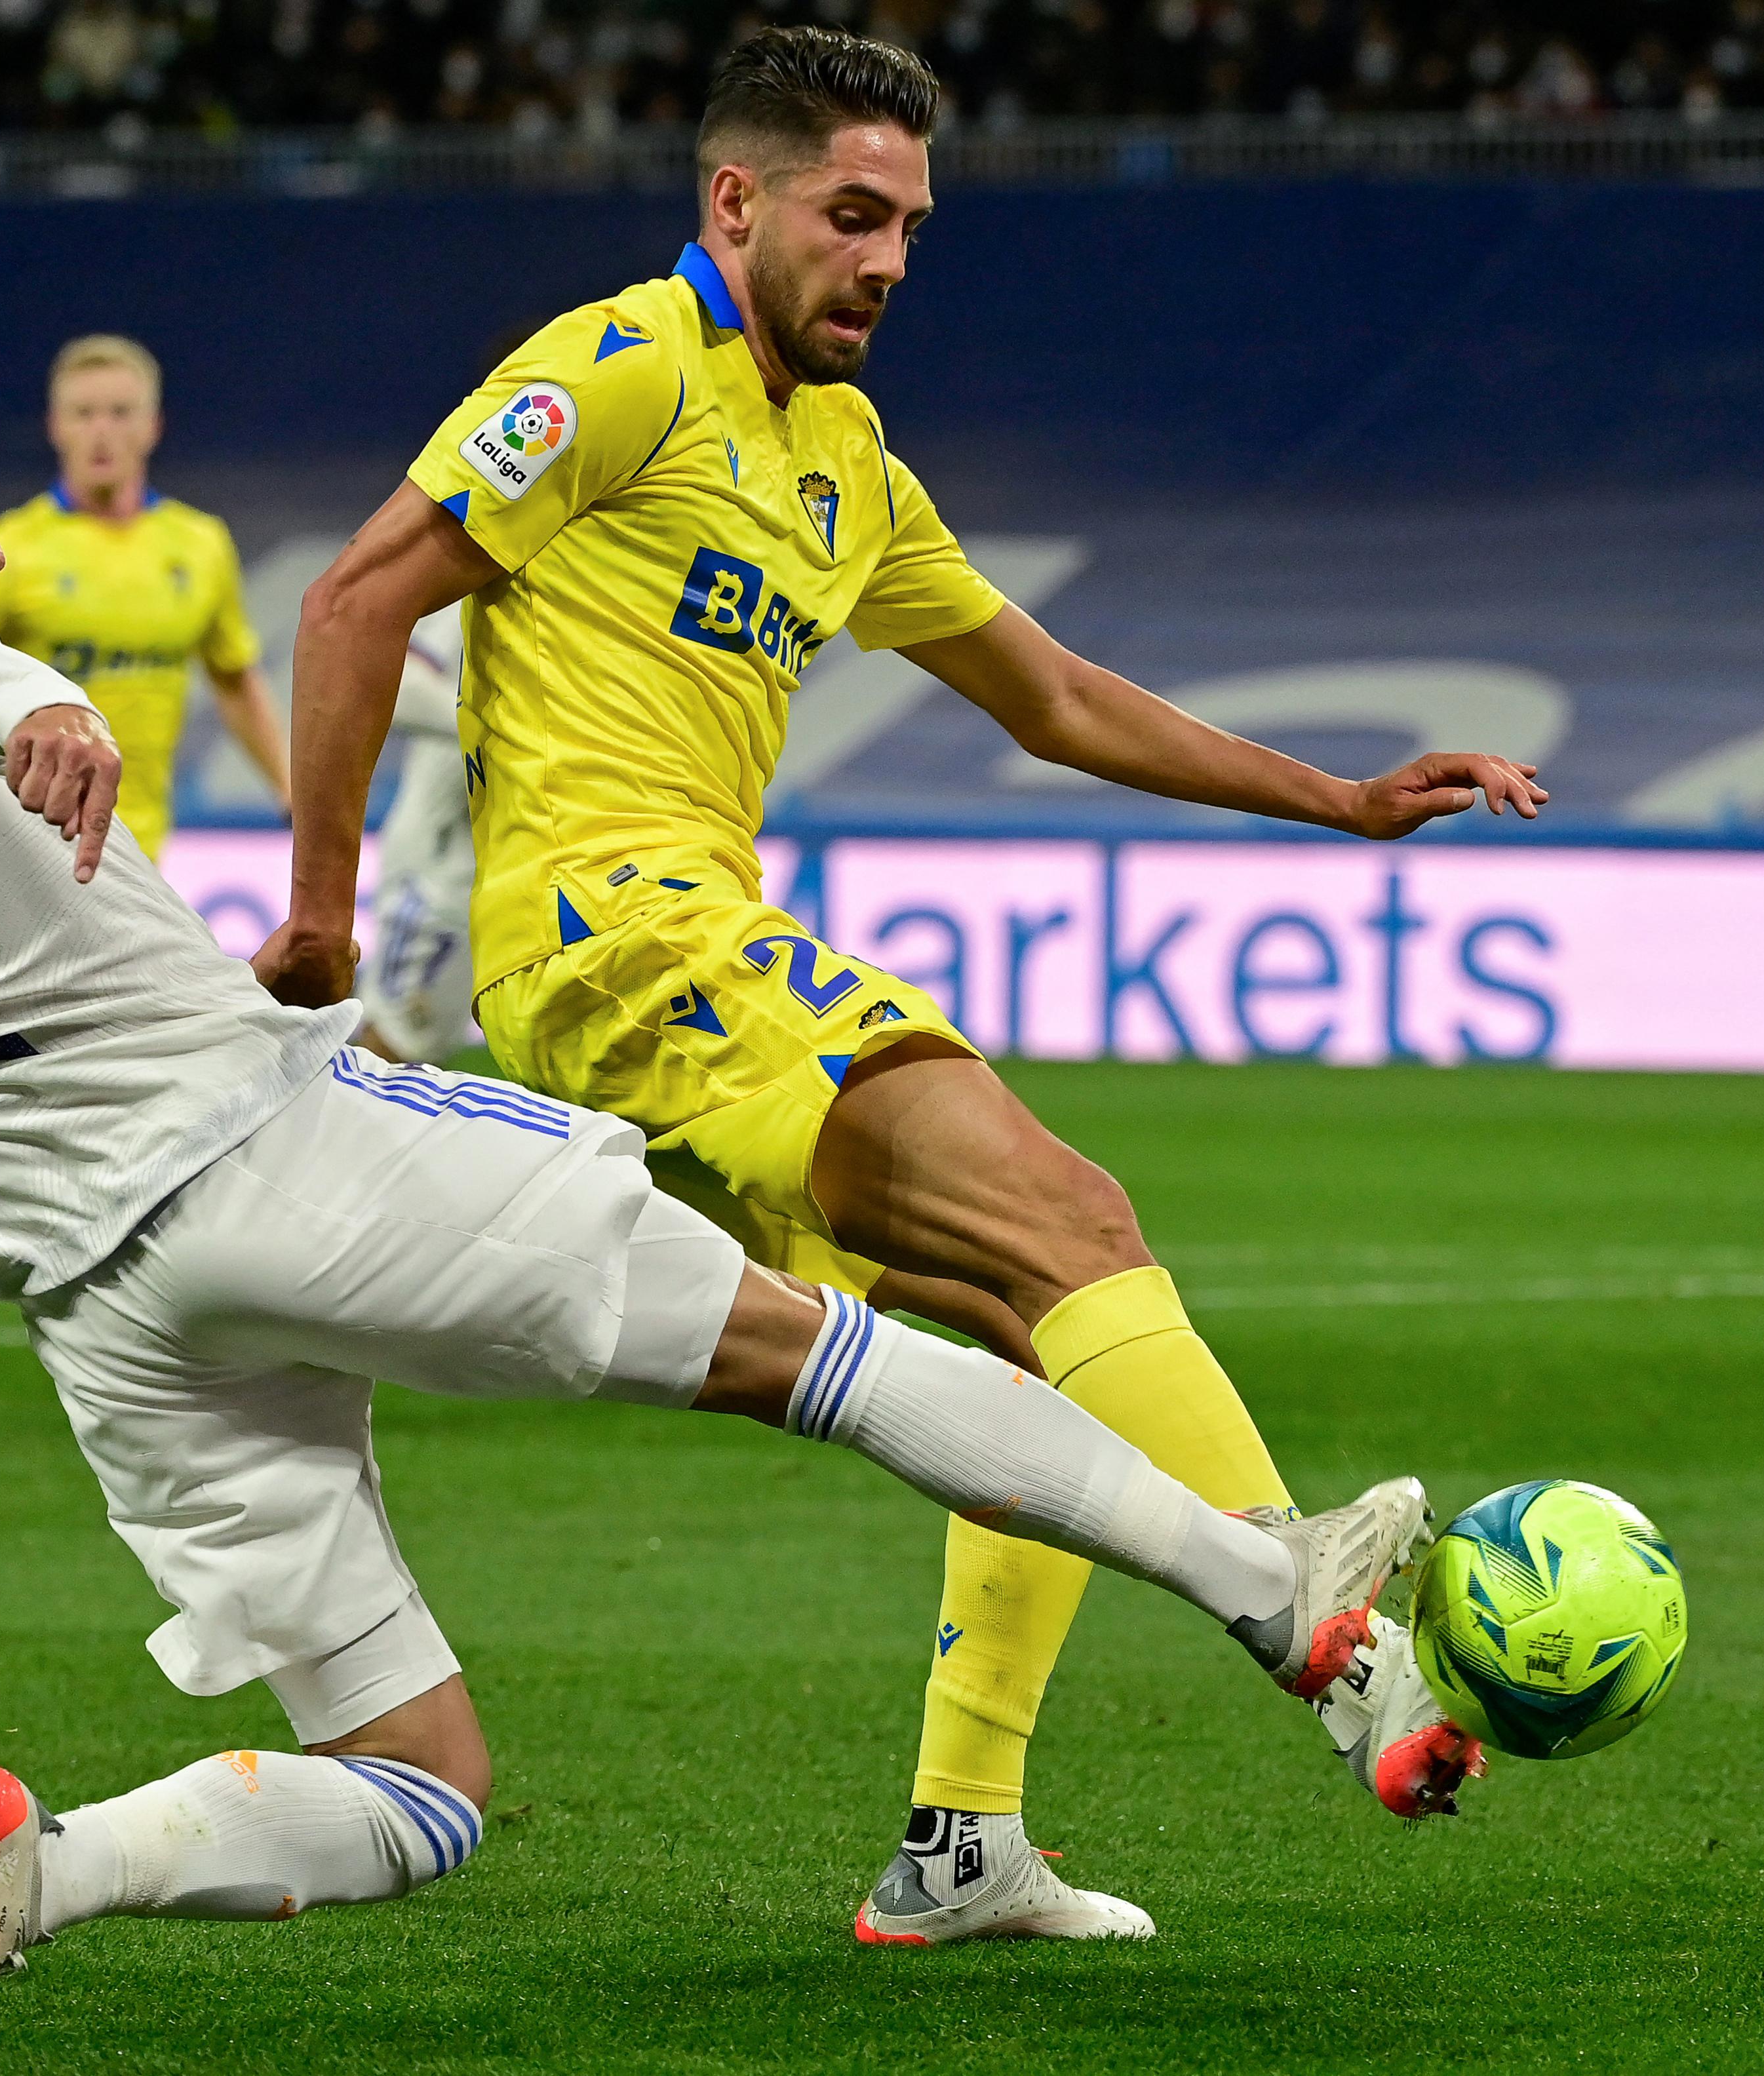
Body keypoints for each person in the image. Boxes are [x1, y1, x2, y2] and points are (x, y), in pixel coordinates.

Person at [0, 342, 1448, 2039]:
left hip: (96, 1321)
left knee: (420, 1778)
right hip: (265, 1159)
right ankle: (1282, 1600)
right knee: (811, 1347)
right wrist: (51, 703)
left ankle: (41, 1858)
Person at [260, 26, 1542, 1942]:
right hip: (616, 939)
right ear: (734, 201)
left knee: (1019, 1352)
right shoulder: (614, 371)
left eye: (908, 229)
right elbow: (358, 596)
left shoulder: (841, 459)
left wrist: (1336, 800)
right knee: (1061, 1208)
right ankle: (1300, 1599)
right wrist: (319, 922)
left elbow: (1049, 696)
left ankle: (959, 1841)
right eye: (849, 215)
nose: (883, 260)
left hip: (667, 990)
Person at [0, 334, 286, 863]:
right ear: (56, 426)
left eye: (121, 413)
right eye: (84, 413)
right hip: (27, 841)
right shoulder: (9, 549)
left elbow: (235, 680)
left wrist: (291, 794)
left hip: (143, 847)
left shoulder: (200, 543)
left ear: (153, 427)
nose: (102, 432)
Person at [359, 604, 477, 1063]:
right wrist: (505, 727)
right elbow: (398, 687)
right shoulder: (485, 580)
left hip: (521, 854)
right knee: (399, 1046)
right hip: (441, 864)